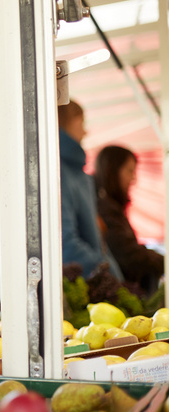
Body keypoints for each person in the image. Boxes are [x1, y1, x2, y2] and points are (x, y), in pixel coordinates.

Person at [58, 100, 123, 280]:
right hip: (82, 287)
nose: (85, 132)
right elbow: (65, 243)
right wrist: (111, 277)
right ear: (65, 123)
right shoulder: (59, 173)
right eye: (82, 123)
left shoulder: (76, 174)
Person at [95, 145, 163, 295]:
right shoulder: (104, 208)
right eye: (130, 171)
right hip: (117, 291)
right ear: (112, 171)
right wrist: (164, 262)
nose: (134, 179)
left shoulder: (109, 205)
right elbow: (127, 253)